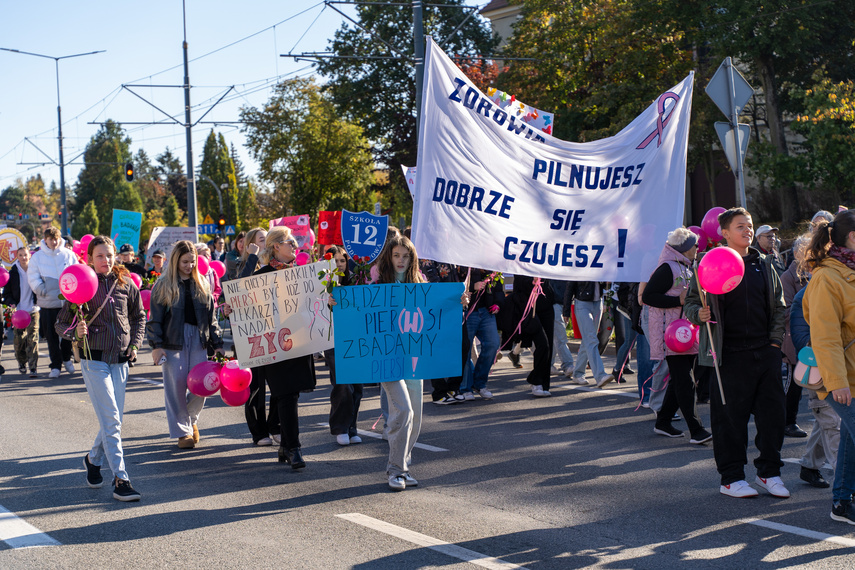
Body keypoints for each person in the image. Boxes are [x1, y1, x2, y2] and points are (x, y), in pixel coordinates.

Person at [685, 207, 788, 499]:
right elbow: (691, 304)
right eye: (741, 226)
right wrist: (698, 314)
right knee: (730, 419)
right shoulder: (707, 263)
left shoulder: (764, 264)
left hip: (764, 351)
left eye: (750, 225)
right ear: (725, 233)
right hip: (727, 354)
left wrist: (775, 343)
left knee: (773, 417)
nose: (748, 230)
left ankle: (769, 473)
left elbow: (779, 306)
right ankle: (731, 478)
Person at [56, 236, 146, 502]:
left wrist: (136, 345)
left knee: (113, 418)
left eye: (109, 255)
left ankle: (93, 460)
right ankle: (121, 479)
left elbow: (139, 317)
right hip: (93, 359)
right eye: (100, 256)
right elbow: (60, 324)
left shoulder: (126, 283)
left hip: (120, 359)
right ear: (90, 257)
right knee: (112, 420)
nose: (105, 260)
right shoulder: (82, 282)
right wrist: (75, 331)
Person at [802, 209, 855, 524]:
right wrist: (837, 382)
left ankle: (841, 504)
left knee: (848, 439)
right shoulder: (826, 277)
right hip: (842, 379)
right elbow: (825, 337)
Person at [148, 241, 224, 449]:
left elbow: (212, 318)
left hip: (199, 340)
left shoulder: (202, 283)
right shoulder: (163, 285)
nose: (189, 265)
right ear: (175, 261)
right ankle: (183, 432)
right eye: (185, 261)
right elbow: (154, 319)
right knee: (176, 387)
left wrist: (217, 344)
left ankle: (191, 420)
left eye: (192, 261)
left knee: (202, 384)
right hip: (173, 341)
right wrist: (156, 345)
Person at [253, 226, 316, 468]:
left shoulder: (302, 273)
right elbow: (248, 307)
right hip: (274, 345)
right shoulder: (261, 276)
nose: (294, 245)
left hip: (298, 341)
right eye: (290, 241)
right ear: (276, 246)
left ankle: (284, 446)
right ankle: (294, 448)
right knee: (286, 393)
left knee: (290, 394)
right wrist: (232, 309)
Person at [642, 228, 711, 444]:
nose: (698, 249)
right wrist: (678, 301)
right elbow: (648, 297)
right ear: (684, 248)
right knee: (685, 380)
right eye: (695, 245)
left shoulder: (687, 267)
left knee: (680, 378)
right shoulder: (667, 268)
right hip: (671, 334)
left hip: (685, 333)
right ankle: (696, 430)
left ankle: (663, 422)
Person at [791, 286, 838, 489]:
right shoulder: (807, 294)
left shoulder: (843, 287)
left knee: (827, 422)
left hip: (843, 368)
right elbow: (801, 338)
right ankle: (846, 488)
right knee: (834, 425)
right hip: (821, 369)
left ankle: (810, 465)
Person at [323, 246, 365, 444]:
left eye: (342, 261)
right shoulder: (323, 285)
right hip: (334, 340)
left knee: (357, 386)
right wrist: (326, 302)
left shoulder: (357, 282)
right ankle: (340, 427)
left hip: (356, 339)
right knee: (342, 385)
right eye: (334, 261)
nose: (339, 264)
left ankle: (352, 427)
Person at [28, 226, 77, 379]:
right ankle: (55, 365)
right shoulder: (37, 257)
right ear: (45, 240)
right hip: (48, 303)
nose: (54, 242)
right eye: (51, 239)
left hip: (67, 302)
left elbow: (76, 271)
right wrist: (41, 289)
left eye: (56, 239)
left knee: (69, 333)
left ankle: (66, 358)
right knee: (51, 336)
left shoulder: (69, 254)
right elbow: (32, 276)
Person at [780, 235, 811, 438]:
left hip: (812, 336)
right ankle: (787, 422)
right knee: (793, 385)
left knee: (806, 382)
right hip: (793, 338)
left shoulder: (817, 274)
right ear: (797, 253)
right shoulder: (788, 277)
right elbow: (785, 310)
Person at [459, 268, 502, 400]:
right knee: (465, 349)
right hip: (467, 310)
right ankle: (465, 387)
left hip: (486, 311)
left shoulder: (490, 259)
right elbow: (454, 280)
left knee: (493, 344)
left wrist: (498, 303)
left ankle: (479, 383)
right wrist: (472, 286)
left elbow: (498, 284)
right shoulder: (462, 259)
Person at [564, 281, 614, 388]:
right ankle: (600, 375)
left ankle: (578, 373)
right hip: (582, 303)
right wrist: (566, 311)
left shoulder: (601, 265)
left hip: (598, 303)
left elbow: (607, 285)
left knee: (588, 340)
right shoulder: (581, 265)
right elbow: (570, 286)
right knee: (591, 339)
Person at [3, 247, 39, 377]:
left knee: (33, 339)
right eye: (20, 255)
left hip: (33, 310)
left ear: (30, 256)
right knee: (20, 340)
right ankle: (22, 362)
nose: (23, 257)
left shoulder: (35, 270)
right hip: (18, 312)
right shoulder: (12, 273)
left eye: (25, 255)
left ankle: (33, 367)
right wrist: (11, 304)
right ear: (17, 257)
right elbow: (6, 294)